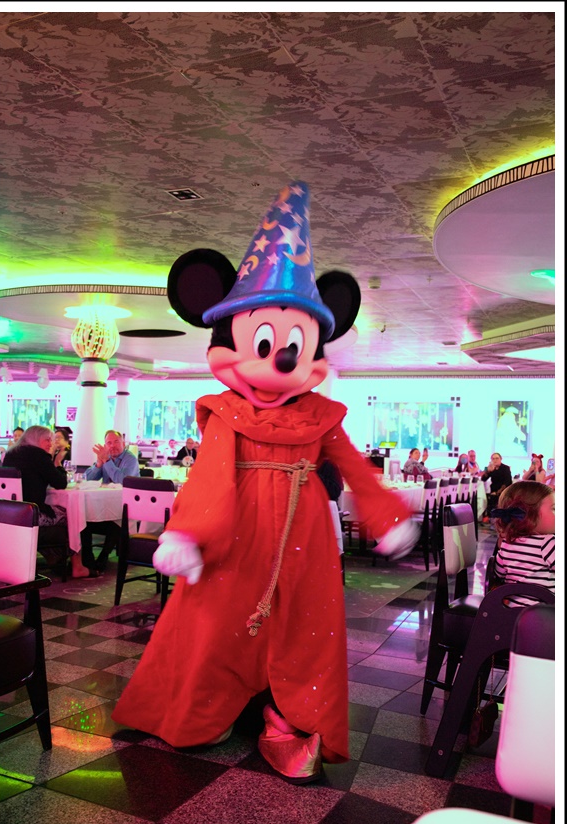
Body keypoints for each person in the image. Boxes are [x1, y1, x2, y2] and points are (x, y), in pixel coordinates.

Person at [113, 180, 419, 784]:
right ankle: (205, 708)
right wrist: (188, 534)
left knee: (304, 628)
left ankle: (292, 717)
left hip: (304, 542)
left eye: (294, 346)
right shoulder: (227, 414)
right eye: (263, 342)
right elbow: (208, 475)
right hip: (233, 536)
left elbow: (355, 466)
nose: (279, 359)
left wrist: (385, 516)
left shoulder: (321, 416)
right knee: (215, 623)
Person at [2, 425, 92, 578]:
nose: (51, 444)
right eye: (47, 440)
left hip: (10, 512)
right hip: (32, 513)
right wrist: (57, 462)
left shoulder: (11, 454)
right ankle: (77, 566)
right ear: (35, 439)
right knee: (72, 514)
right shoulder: (39, 455)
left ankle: (54, 557)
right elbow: (60, 483)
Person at [80, 429, 141, 572]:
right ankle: (88, 560)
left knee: (118, 521)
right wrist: (99, 464)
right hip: (107, 505)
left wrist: (107, 461)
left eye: (116, 442)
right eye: (109, 443)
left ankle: (103, 556)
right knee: (82, 519)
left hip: (129, 509)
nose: (112, 446)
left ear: (123, 443)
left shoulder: (130, 459)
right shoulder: (106, 458)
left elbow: (122, 480)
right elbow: (87, 479)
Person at [489, 481, 555, 606]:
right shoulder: (548, 543)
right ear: (530, 516)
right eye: (554, 509)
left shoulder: (507, 544)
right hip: (544, 612)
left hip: (511, 610)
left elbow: (499, 574)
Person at [480, 451, 512, 521]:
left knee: (495, 498)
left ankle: (496, 518)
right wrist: (488, 471)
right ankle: (488, 517)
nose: (495, 460)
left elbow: (507, 482)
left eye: (497, 458)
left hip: (503, 490)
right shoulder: (490, 468)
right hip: (493, 489)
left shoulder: (506, 468)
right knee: (487, 497)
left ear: (500, 459)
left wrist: (498, 492)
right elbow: (483, 479)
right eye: (493, 459)